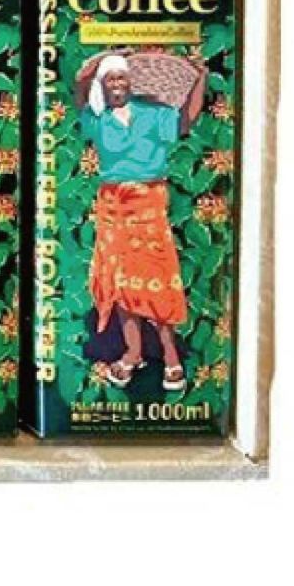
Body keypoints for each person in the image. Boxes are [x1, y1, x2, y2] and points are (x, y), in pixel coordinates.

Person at [81, 54, 187, 392]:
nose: (116, 84)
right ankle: (134, 351)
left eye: (121, 77)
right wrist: (94, 65)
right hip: (113, 208)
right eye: (109, 79)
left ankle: (171, 355)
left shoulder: (154, 114)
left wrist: (199, 76)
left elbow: (185, 121)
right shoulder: (98, 120)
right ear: (102, 85)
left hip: (148, 204)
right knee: (121, 284)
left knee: (158, 280)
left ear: (131, 82)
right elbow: (80, 91)